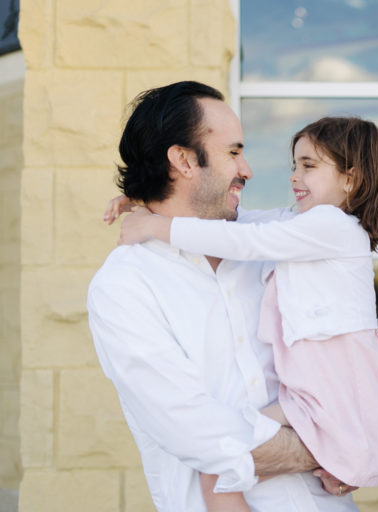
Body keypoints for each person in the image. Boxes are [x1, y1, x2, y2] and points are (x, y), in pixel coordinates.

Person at [89, 81, 360, 512]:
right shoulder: (125, 285)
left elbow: (335, 219)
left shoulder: (266, 244)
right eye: (233, 152)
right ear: (181, 160)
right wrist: (338, 449)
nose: (248, 169)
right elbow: (194, 429)